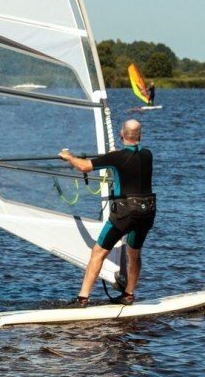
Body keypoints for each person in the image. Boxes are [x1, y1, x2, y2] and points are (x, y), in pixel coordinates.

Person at [58, 119, 155, 306]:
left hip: (124, 214)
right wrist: (114, 156)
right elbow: (129, 157)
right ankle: (128, 295)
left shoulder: (116, 158)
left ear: (121, 135)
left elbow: (84, 166)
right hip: (146, 213)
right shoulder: (148, 155)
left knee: (98, 253)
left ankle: (82, 298)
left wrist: (69, 157)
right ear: (140, 136)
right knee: (134, 254)